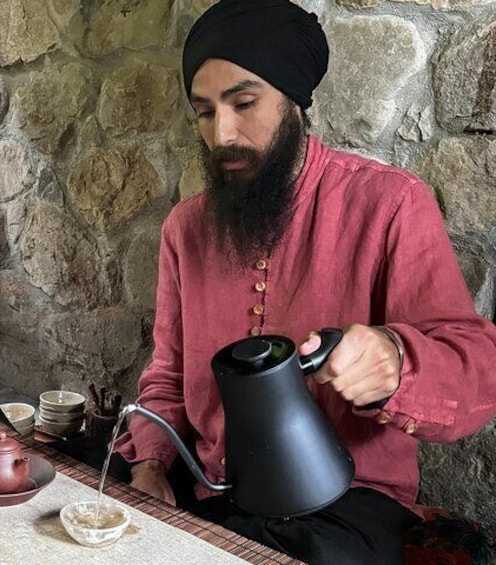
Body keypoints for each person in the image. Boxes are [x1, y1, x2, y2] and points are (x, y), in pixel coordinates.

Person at [112, 1, 496, 563]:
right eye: (204, 111)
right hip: (211, 486)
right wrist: (148, 464)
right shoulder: (185, 229)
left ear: (294, 100)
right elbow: (168, 375)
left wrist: (395, 361)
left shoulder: (389, 204)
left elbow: (476, 367)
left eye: (244, 104)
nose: (223, 134)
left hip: (345, 502)